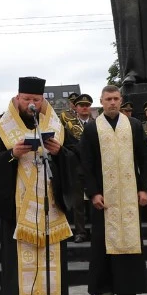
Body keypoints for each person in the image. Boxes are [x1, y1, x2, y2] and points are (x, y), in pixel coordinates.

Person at [0, 77, 74, 295]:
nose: (31, 104)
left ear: (42, 101)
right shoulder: (4, 126)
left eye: (36, 100)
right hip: (17, 208)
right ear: (17, 99)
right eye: (27, 99)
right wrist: (12, 155)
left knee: (51, 257)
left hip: (50, 207)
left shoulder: (57, 124)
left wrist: (60, 153)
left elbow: (76, 157)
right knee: (18, 260)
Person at [79, 85, 147, 295]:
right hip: (104, 196)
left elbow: (144, 159)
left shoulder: (134, 125)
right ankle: (103, 287)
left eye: (116, 99)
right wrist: (93, 192)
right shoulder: (92, 128)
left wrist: (143, 188)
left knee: (130, 237)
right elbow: (86, 164)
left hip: (129, 194)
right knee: (102, 240)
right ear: (101, 101)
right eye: (108, 99)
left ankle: (128, 287)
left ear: (121, 100)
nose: (112, 102)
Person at [63, 93, 94, 243]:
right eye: (81, 106)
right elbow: (67, 145)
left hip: (94, 168)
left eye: (87, 106)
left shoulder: (97, 123)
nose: (84, 108)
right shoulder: (69, 125)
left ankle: (97, 230)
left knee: (97, 200)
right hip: (77, 167)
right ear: (76, 107)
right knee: (78, 203)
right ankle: (80, 232)